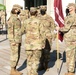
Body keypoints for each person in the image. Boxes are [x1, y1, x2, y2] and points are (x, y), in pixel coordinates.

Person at [21, 7, 45, 75]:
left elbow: (22, 31)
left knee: (29, 60)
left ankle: (29, 73)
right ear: (36, 13)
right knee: (36, 61)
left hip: (28, 44)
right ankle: (34, 73)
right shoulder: (39, 21)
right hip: (37, 45)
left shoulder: (26, 21)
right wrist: (43, 43)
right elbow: (42, 33)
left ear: (29, 13)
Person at [56, 3, 76, 75]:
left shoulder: (71, 17)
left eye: (70, 7)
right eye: (68, 7)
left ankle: (70, 71)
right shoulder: (69, 16)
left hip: (71, 38)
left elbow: (66, 28)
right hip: (71, 37)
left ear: (74, 8)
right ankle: (71, 69)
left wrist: (59, 28)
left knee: (70, 55)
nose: (68, 8)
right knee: (72, 54)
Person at [38, 5, 56, 71]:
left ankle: (46, 65)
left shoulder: (49, 18)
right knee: (40, 52)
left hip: (47, 37)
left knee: (47, 52)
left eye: (43, 9)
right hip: (39, 37)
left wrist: (54, 34)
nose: (42, 10)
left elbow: (53, 27)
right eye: (41, 9)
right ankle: (41, 65)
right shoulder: (37, 17)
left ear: (45, 10)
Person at [7, 6, 22, 75]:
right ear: (16, 10)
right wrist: (12, 41)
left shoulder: (16, 18)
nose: (20, 11)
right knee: (14, 55)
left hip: (17, 40)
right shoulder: (12, 19)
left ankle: (14, 69)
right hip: (14, 41)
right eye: (19, 9)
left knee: (17, 55)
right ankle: (12, 70)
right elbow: (10, 31)